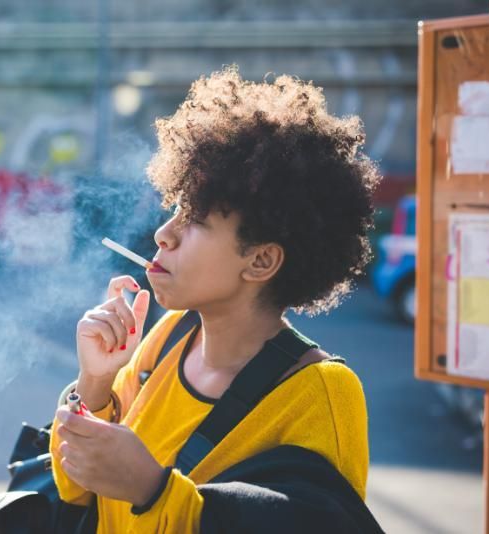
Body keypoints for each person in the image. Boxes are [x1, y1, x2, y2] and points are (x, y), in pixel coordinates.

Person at [50, 66, 383, 533]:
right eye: (175, 211)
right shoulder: (168, 336)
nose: (164, 235)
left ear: (261, 260)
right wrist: (95, 382)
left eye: (197, 221)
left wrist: (154, 491)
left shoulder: (322, 393)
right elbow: (74, 489)